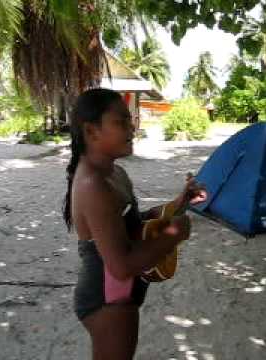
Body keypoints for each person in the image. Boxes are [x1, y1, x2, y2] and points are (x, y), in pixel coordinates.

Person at [62, 88, 207, 360]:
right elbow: (121, 267)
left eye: (131, 120)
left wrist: (179, 201)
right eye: (121, 122)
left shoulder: (114, 172)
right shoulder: (93, 184)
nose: (132, 128)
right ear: (92, 132)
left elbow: (135, 223)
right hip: (107, 302)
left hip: (120, 297)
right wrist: (177, 232)